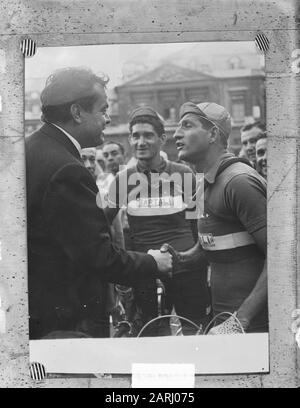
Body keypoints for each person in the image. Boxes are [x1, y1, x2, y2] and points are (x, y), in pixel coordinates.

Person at [25, 67, 172, 340]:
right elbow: (97, 256)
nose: (107, 119)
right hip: (66, 322)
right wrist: (153, 262)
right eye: (103, 110)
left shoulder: (30, 149)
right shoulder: (67, 169)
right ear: (77, 112)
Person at [105, 106, 211, 336]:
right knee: (150, 334)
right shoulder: (123, 179)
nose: (141, 142)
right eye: (135, 136)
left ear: (162, 139)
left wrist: (193, 256)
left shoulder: (183, 173)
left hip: (186, 266)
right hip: (144, 269)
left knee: (195, 332)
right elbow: (101, 225)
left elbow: (201, 225)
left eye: (148, 135)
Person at [173, 101, 268, 334]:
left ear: (213, 133)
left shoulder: (239, 182)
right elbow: (207, 248)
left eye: (187, 125)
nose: (176, 134)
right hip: (223, 323)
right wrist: (179, 259)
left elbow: (282, 258)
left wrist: (241, 320)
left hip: (256, 328)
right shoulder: (200, 184)